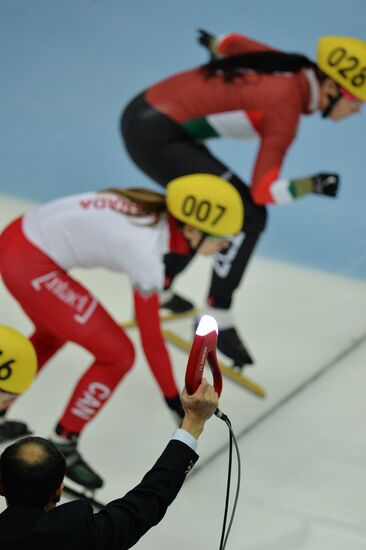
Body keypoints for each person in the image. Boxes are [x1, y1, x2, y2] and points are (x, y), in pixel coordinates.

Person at [121, 32, 365, 368]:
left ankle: (161, 285)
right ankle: (217, 313)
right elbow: (263, 190)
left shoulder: (287, 64)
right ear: (332, 88)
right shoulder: (286, 107)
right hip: (155, 135)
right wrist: (312, 184)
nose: (356, 111)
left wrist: (214, 43)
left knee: (212, 200)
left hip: (149, 115)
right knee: (250, 214)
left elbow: (231, 42)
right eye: (356, 101)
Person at [0, 174, 243, 490]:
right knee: (117, 355)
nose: (226, 244)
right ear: (192, 229)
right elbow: (150, 336)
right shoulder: (146, 251)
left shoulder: (154, 216)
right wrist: (174, 398)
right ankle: (64, 440)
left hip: (19, 242)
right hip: (30, 260)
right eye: (222, 237)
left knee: (52, 332)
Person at [0, 379, 218, 550]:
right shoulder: (79, 534)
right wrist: (193, 422)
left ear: (1, 486)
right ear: (59, 491)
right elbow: (148, 500)